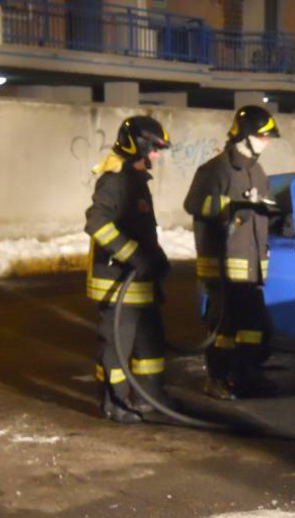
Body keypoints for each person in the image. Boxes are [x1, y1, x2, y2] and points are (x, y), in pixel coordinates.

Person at [183, 105, 280, 399]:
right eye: (262, 136)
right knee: (224, 329)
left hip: (250, 268)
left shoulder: (257, 172)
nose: (266, 142)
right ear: (246, 134)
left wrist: (273, 213)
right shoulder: (216, 169)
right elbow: (193, 204)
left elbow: (260, 213)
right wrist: (232, 205)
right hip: (223, 269)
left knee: (252, 327)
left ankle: (246, 375)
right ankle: (217, 379)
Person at [84, 115, 172, 423]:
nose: (158, 155)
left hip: (140, 279)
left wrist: (157, 259)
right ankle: (115, 402)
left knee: (150, 341)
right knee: (117, 344)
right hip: (117, 280)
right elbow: (96, 223)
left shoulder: (136, 179)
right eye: (155, 148)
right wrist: (134, 256)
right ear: (139, 145)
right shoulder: (117, 179)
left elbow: (141, 228)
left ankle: (151, 395)